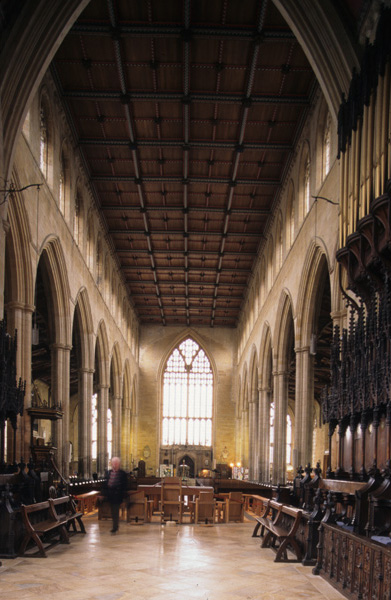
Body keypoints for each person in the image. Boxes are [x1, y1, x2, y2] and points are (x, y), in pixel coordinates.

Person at [102, 457, 128, 534]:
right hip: (109, 494)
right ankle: (114, 525)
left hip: (117, 495)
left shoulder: (122, 473)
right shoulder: (108, 472)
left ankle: (115, 527)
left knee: (115, 511)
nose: (114, 465)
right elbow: (105, 483)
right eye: (113, 463)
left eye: (116, 463)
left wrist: (123, 495)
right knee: (112, 511)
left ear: (119, 464)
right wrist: (103, 493)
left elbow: (124, 485)